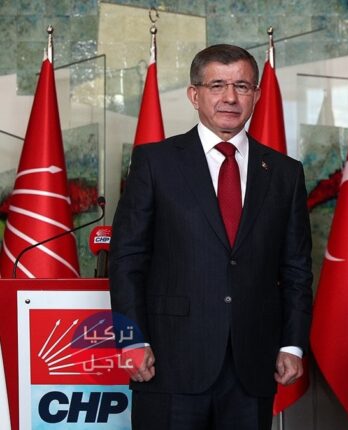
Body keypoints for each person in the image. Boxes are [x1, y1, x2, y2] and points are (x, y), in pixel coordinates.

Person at [109, 44, 313, 430]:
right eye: (217, 85)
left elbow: (296, 268)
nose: (230, 97)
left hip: (253, 366)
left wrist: (292, 343)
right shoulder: (155, 162)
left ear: (256, 95)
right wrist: (131, 338)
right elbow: (127, 259)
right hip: (169, 361)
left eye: (242, 86)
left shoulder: (285, 173)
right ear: (194, 95)